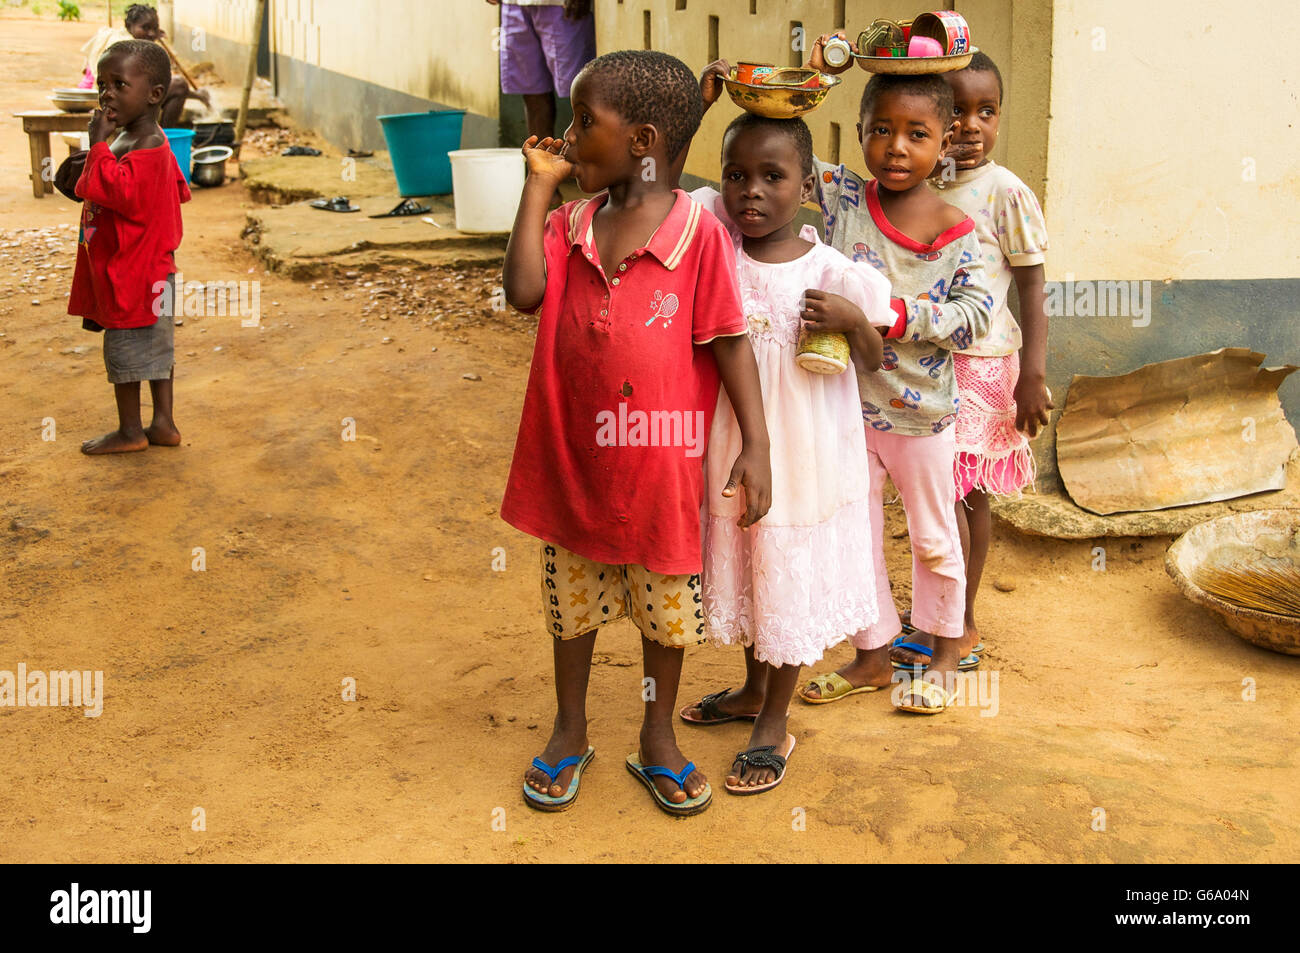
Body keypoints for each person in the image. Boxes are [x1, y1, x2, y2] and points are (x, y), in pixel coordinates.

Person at [501, 50, 772, 815]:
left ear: (645, 140)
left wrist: (757, 443)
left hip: (660, 471)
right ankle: (569, 728)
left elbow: (728, 341)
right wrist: (537, 184)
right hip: (572, 462)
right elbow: (523, 291)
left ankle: (658, 734)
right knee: (573, 608)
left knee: (664, 617)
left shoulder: (699, 235)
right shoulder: (570, 222)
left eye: (587, 122)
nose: (570, 135)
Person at [676, 104, 892, 793]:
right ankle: (748, 689)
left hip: (807, 454)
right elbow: (675, 193)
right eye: (737, 174)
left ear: (806, 185)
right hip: (736, 440)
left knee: (787, 570)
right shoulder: (717, 252)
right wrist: (701, 107)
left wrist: (854, 321)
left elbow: (877, 359)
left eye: (773, 176)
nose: (752, 191)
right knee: (749, 559)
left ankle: (775, 716)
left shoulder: (833, 272)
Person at [797, 34, 993, 713]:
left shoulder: (958, 228)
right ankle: (872, 654)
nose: (897, 147)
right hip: (848, 409)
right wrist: (814, 74)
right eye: (881, 130)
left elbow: (974, 316)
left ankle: (943, 651)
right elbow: (786, 143)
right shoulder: (847, 198)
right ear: (858, 135)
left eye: (917, 133)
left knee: (934, 536)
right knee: (854, 536)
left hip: (920, 417)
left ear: (945, 143)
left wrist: (887, 315)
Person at [888, 51, 1052, 666]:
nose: (972, 125)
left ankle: (961, 622)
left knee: (963, 493)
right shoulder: (918, 184)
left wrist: (1031, 374)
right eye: (957, 111)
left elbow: (1034, 285)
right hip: (921, 362)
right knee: (932, 496)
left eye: (987, 111)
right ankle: (934, 615)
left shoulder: (1005, 192)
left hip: (981, 365)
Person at [59, 40, 191, 455]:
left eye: (119, 84)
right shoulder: (137, 138)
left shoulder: (146, 144)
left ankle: (131, 431)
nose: (107, 93)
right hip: (150, 269)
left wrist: (98, 146)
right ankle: (164, 424)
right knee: (155, 350)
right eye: (102, 84)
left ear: (153, 96)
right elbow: (168, 192)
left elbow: (121, 193)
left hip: (133, 275)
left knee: (126, 352)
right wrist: (98, 154)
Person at [79, 5, 211, 126]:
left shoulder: (126, 38)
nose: (152, 33)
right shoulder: (126, 47)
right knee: (179, 85)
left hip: (119, 98)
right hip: (120, 102)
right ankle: (165, 138)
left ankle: (164, 137)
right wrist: (197, 95)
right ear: (129, 26)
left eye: (155, 28)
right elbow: (150, 86)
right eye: (145, 28)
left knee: (175, 86)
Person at [486, 0, 596, 143]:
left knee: (580, 89)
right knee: (532, 91)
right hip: (514, 5)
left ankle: (586, 162)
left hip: (560, 5)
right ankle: (542, 160)